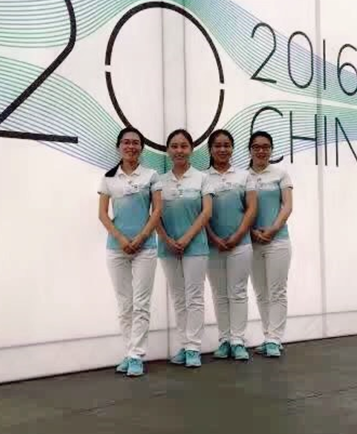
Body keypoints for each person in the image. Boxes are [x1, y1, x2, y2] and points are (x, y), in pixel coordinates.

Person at [98, 127, 162, 377]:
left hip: (145, 248)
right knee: (125, 304)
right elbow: (103, 214)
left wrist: (142, 237)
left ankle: (136, 355)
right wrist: (122, 239)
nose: (131, 146)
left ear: (141, 148)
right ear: (119, 146)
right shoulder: (108, 178)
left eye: (135, 143)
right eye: (126, 142)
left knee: (141, 304)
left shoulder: (151, 175)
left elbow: (157, 211)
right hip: (117, 249)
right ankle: (130, 350)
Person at [155, 129, 213, 368]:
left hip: (196, 245)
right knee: (179, 298)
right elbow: (154, 214)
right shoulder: (159, 180)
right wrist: (167, 239)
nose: (179, 150)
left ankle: (194, 348)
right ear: (168, 150)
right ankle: (184, 344)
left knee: (194, 297)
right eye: (174, 146)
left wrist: (187, 238)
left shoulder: (202, 178)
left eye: (183, 146)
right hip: (167, 246)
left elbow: (206, 212)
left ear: (191, 149)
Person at [204, 129, 257, 361]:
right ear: (210, 149)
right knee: (219, 294)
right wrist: (213, 237)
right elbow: (202, 213)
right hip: (212, 245)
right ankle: (224, 340)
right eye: (217, 145)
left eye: (226, 145)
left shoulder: (245, 176)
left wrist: (237, 235)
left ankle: (238, 341)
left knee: (238, 292)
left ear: (233, 148)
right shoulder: (203, 178)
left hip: (241, 244)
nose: (222, 149)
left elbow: (251, 208)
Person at [247, 130, 293, 358]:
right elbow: (241, 210)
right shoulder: (243, 176)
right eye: (256, 147)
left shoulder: (280, 174)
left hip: (278, 240)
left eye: (265, 147)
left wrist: (273, 229)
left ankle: (275, 338)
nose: (261, 151)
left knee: (277, 291)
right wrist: (252, 231)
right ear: (250, 150)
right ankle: (268, 336)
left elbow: (287, 206)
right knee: (261, 292)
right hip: (252, 241)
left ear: (271, 150)